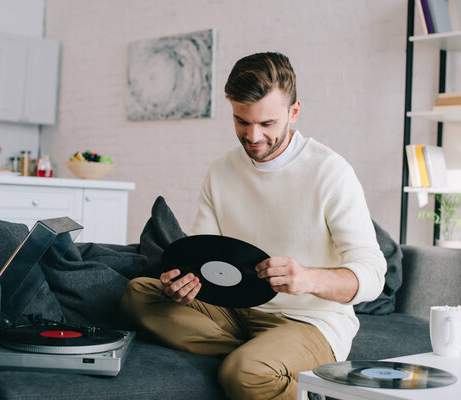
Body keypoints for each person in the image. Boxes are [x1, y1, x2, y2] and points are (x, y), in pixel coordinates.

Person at [121, 52, 386, 399]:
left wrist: (308, 278)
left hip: (312, 322)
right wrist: (184, 286)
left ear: (294, 112)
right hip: (235, 312)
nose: (253, 136)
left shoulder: (331, 173)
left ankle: (256, 362)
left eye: (267, 124)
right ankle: (261, 356)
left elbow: (373, 274)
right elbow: (205, 257)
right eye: (241, 121)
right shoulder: (221, 172)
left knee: (242, 373)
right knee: (138, 295)